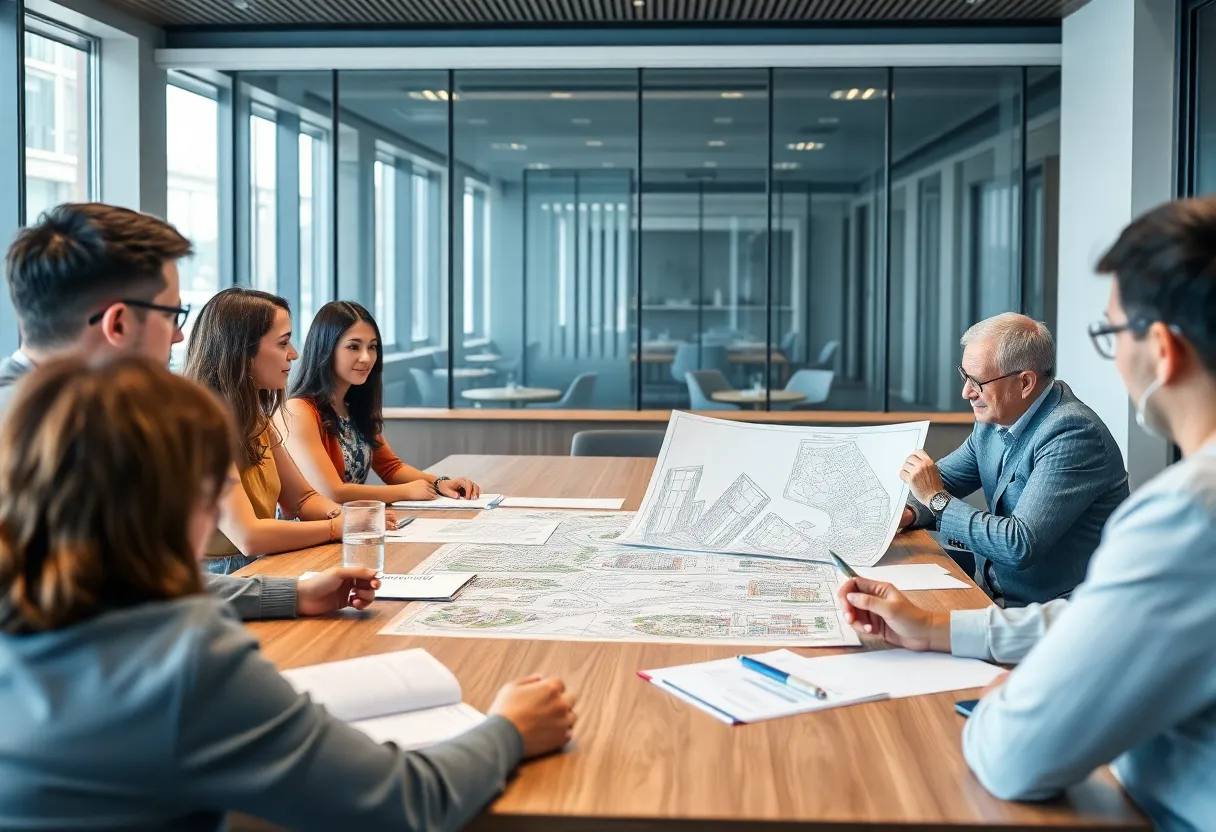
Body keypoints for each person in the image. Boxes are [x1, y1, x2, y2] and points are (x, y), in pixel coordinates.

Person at [0, 355, 577, 831]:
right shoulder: (184, 665)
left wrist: (292, 594)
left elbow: (193, 585)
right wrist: (509, 731)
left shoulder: (35, 592)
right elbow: (401, 802)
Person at [840, 197, 1216, 830]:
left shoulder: (1182, 513)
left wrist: (1004, 696)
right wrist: (933, 625)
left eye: (1110, 334)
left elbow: (1014, 756)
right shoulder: (996, 426)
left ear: (1161, 348)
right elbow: (1096, 618)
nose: (966, 393)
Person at [0, 202, 367, 619]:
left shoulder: (82, 417)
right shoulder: (54, 435)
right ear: (117, 324)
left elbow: (143, 580)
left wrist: (291, 595)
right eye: (173, 315)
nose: (178, 337)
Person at [897, 312, 1127, 606]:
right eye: (964, 376)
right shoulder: (995, 420)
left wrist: (935, 499)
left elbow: (1018, 544)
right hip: (990, 594)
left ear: (1025, 383)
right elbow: (945, 479)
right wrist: (910, 512)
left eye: (977, 381)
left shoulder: (1073, 433)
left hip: (1053, 612)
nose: (966, 392)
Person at [184, 287, 393, 575]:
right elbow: (249, 536)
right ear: (242, 351)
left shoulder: (255, 418)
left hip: (260, 565)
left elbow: (302, 499)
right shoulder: (202, 427)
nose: (293, 354)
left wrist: (349, 516)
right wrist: (339, 527)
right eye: (283, 343)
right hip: (219, 579)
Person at [283, 300, 482, 504]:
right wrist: (405, 492)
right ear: (325, 349)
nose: (367, 357)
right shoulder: (299, 410)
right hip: (311, 524)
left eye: (372, 347)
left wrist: (440, 482)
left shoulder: (352, 407)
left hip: (350, 522)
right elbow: (331, 492)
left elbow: (391, 468)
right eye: (353, 347)